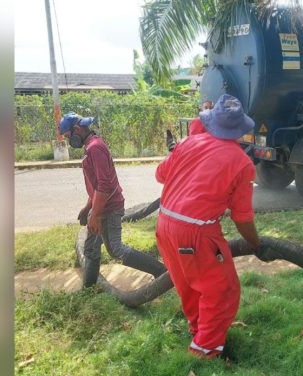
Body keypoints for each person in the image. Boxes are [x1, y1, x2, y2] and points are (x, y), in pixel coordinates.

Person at [155, 94, 260, 359]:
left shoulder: (189, 143)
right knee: (222, 291)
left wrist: (194, 134)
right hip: (196, 233)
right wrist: (256, 245)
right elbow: (243, 217)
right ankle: (204, 353)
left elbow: (160, 174)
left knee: (190, 286)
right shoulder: (241, 163)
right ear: (239, 130)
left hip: (165, 225)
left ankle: (200, 331)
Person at [58, 112, 166, 287]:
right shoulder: (91, 147)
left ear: (77, 129)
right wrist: (88, 208)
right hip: (101, 207)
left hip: (108, 208)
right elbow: (96, 185)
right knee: (91, 249)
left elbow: (105, 186)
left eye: (68, 136)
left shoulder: (95, 148)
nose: (69, 141)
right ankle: (89, 289)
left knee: (116, 249)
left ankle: (162, 272)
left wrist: (96, 215)